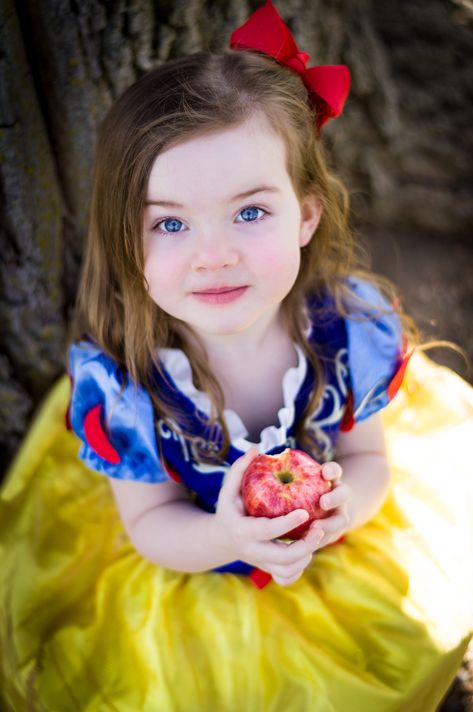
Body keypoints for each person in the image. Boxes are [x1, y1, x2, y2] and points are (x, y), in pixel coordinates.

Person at [1, 2, 472, 710]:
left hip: (329, 557)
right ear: (124, 237)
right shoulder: (128, 380)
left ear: (306, 214)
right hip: (197, 567)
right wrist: (225, 533)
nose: (213, 255)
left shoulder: (345, 330)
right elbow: (151, 524)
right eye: (168, 222)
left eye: (250, 212)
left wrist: (344, 511)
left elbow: (367, 458)